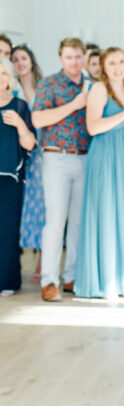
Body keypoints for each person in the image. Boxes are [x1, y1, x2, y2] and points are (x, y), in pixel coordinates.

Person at [75, 49, 124, 300]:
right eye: (112, 63)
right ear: (104, 67)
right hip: (105, 155)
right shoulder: (99, 89)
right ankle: (107, 280)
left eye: (121, 61)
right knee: (107, 212)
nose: (118, 67)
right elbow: (93, 127)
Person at [32, 37, 89, 301]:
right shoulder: (49, 84)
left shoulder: (94, 85)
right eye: (69, 57)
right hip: (57, 158)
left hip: (87, 158)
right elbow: (39, 118)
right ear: (60, 59)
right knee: (56, 221)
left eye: (78, 56)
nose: (74, 62)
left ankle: (71, 277)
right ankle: (50, 281)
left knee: (79, 221)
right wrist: (74, 105)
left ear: (84, 57)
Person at [0, 58, 35, 296]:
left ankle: (7, 280)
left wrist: (21, 125)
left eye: (3, 73)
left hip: (10, 177)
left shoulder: (19, 105)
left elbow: (30, 143)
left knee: (8, 229)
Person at [11, 45, 45, 276]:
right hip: (20, 153)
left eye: (24, 58)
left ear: (31, 61)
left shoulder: (43, 88)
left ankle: (43, 261)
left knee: (43, 207)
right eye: (15, 60)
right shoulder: (10, 90)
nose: (20, 63)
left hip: (43, 152)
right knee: (23, 208)